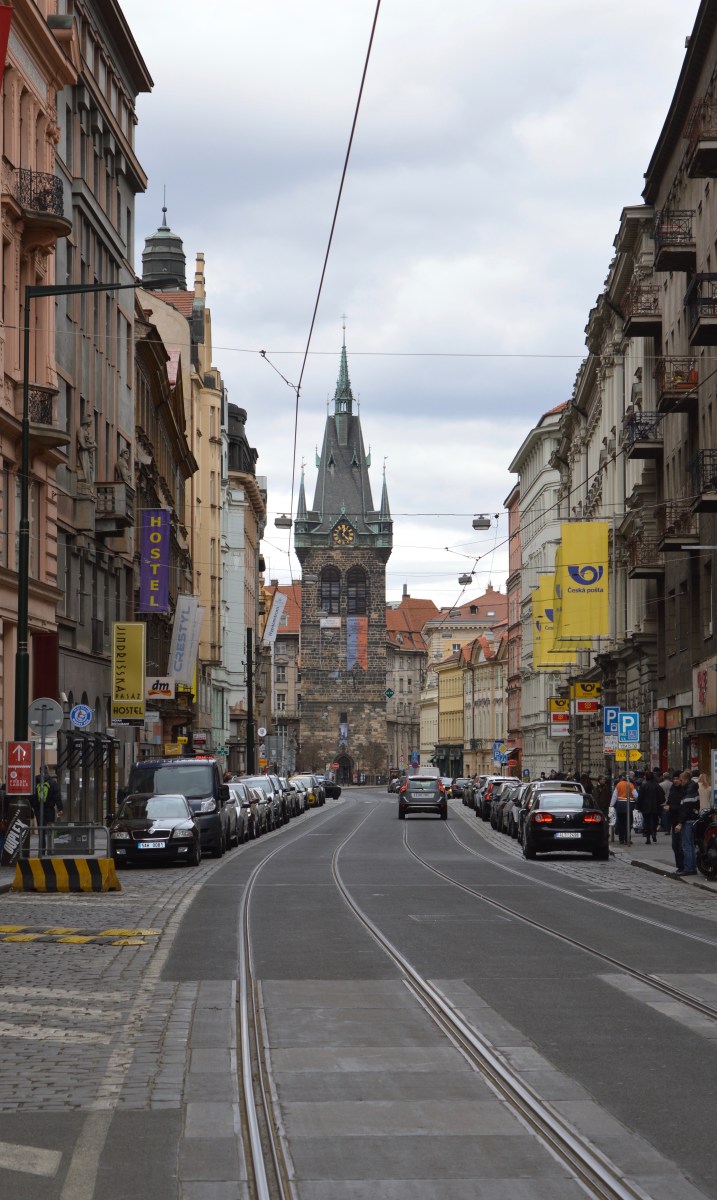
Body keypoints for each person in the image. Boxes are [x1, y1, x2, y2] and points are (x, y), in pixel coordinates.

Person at [675, 769, 701, 876]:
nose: (679, 782)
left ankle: (689, 868)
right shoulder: (691, 788)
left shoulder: (689, 790)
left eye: (681, 780)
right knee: (690, 845)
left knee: (687, 845)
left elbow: (685, 809)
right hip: (692, 819)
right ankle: (692, 867)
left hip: (688, 821)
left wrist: (680, 823)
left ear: (685, 779)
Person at [30, 771, 63, 854]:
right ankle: (50, 849)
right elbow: (57, 796)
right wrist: (60, 808)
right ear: (47, 771)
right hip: (50, 809)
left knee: (41, 830)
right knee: (50, 829)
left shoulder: (34, 782)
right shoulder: (53, 782)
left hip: (38, 810)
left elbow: (31, 796)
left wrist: (33, 807)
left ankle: (41, 850)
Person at [665, 770, 688, 872]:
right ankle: (679, 866)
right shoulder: (672, 789)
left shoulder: (684, 790)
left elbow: (682, 807)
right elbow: (670, 800)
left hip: (681, 821)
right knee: (675, 846)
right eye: (674, 779)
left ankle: (684, 866)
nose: (675, 781)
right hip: (674, 821)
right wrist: (667, 805)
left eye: (677, 778)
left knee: (680, 846)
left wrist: (670, 808)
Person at [636, 770, 662, 844]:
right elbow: (661, 796)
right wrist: (660, 803)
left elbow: (640, 797)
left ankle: (648, 838)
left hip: (645, 806)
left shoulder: (643, 786)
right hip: (655, 806)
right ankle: (654, 833)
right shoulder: (657, 785)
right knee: (655, 821)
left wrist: (638, 806)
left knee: (647, 821)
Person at [611, 774, 637, 844]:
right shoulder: (631, 785)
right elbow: (636, 795)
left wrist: (611, 805)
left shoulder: (619, 784)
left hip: (620, 806)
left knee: (621, 823)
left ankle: (621, 839)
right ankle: (627, 839)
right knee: (628, 823)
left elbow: (614, 796)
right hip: (629, 806)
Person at [76, 414, 96, 484]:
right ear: (87, 422)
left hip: (87, 453)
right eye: (90, 421)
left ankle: (88, 484)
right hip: (83, 453)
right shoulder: (80, 430)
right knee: (85, 471)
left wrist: (93, 446)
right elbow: (83, 446)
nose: (91, 423)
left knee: (88, 471)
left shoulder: (86, 432)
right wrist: (93, 446)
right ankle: (86, 482)